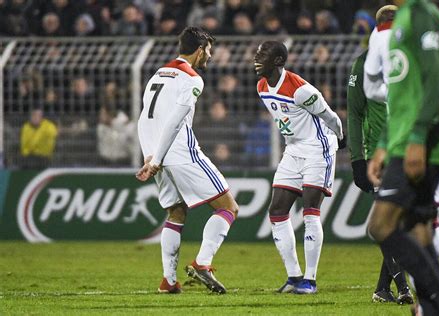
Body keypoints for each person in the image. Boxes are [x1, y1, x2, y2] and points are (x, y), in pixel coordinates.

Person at [366, 0, 439, 314]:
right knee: (419, 226)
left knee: (381, 226)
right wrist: (384, 142)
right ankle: (432, 306)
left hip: (421, 140)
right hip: (401, 140)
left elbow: (434, 81)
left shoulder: (424, 16)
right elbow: (399, 94)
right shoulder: (401, 22)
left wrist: (415, 138)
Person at [136, 27, 239, 295]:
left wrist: (149, 154)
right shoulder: (193, 79)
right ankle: (202, 264)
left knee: (177, 212)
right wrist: (156, 158)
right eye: (209, 50)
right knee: (228, 207)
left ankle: (168, 281)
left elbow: (144, 118)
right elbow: (175, 120)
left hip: (157, 150)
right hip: (179, 151)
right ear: (199, 49)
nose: (211, 56)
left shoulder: (158, 74)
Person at [254, 41, 344, 294]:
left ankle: (310, 280)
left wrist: (340, 136)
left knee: (310, 210)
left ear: (279, 61)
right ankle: (293, 276)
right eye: (257, 53)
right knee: (277, 210)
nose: (256, 58)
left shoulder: (300, 89)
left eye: (263, 54)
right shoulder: (262, 86)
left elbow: (330, 116)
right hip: (293, 150)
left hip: (318, 148)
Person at [349, 5, 413, 305]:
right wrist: (357, 160)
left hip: (410, 151)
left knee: (401, 222)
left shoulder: (409, 60)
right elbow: (354, 112)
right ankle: (403, 288)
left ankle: (382, 289)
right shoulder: (363, 64)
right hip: (379, 156)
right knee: (388, 222)